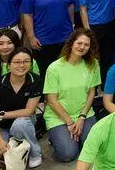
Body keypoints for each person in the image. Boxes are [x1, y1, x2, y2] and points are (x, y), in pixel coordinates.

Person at [44, 29, 102, 162]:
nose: (82, 47)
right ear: (71, 43)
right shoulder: (54, 68)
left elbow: (92, 92)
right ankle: (57, 137)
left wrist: (82, 117)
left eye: (86, 45)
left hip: (84, 114)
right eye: (79, 43)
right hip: (59, 117)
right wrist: (69, 122)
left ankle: (76, 138)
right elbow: (51, 100)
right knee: (67, 154)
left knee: (96, 148)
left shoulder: (93, 65)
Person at [0, 47, 42, 166]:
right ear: (9, 65)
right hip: (0, 125)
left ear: (31, 64)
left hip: (24, 121)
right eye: (17, 62)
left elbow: (29, 111)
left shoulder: (35, 80)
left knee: (21, 124)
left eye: (26, 61)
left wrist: (0, 114)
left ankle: (35, 152)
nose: (21, 65)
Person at [21, 0, 76, 75]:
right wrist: (31, 37)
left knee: (64, 71)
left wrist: (71, 25)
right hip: (42, 39)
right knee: (46, 73)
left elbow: (70, 5)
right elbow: (27, 15)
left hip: (64, 37)